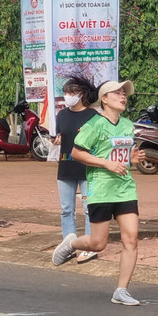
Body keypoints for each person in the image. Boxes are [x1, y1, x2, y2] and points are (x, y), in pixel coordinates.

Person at [52, 80, 147, 306]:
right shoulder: (94, 124)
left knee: (131, 238)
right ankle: (72, 244)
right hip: (101, 189)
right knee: (98, 244)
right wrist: (106, 164)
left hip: (125, 188)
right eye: (117, 93)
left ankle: (121, 290)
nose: (123, 97)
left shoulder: (127, 125)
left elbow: (119, 157)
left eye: (124, 93)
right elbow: (76, 153)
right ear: (104, 99)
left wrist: (130, 159)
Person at [53, 76, 99, 263]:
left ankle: (89, 244)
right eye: (65, 92)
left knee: (89, 209)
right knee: (66, 209)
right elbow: (60, 136)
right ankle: (69, 244)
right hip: (65, 166)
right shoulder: (62, 115)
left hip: (87, 168)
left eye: (71, 92)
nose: (67, 96)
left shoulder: (93, 116)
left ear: (81, 94)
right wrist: (56, 140)